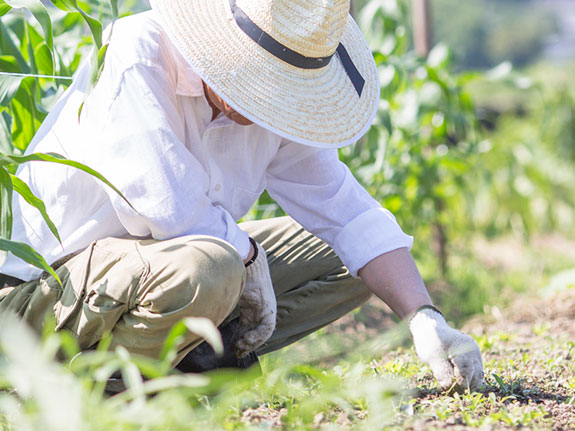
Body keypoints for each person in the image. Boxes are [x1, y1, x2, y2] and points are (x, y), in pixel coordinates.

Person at [0, 0, 483, 390]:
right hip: (48, 295)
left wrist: (423, 318)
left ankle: (197, 361)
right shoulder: (138, 50)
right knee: (210, 267)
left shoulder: (277, 102)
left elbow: (346, 211)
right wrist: (249, 262)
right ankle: (96, 391)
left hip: (164, 273)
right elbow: (170, 210)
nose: (268, 102)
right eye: (261, 83)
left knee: (348, 259)